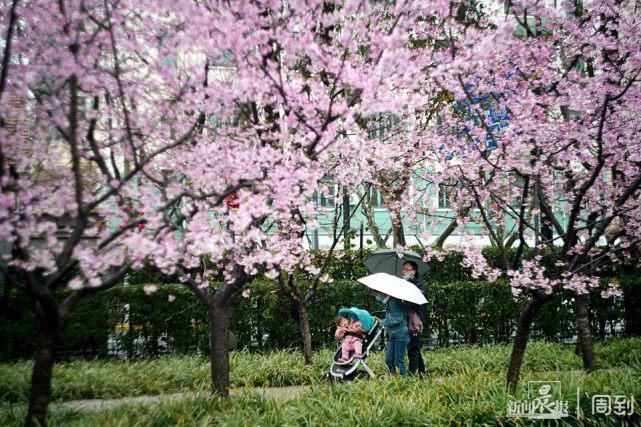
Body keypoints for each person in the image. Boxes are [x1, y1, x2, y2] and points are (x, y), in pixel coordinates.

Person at [376, 291, 409, 377]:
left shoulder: (393, 301)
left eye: (376, 294)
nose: (377, 297)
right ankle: (394, 379)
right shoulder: (389, 302)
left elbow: (398, 318)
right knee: (389, 360)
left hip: (400, 334)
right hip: (392, 334)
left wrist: (382, 321)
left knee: (399, 361)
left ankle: (404, 381)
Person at [403, 260, 426, 376]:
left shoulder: (419, 284)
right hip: (409, 318)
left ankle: (411, 374)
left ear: (413, 271)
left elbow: (416, 302)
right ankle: (422, 372)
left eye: (406, 269)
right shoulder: (407, 283)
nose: (404, 271)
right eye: (403, 269)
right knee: (414, 346)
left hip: (417, 319)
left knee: (412, 347)